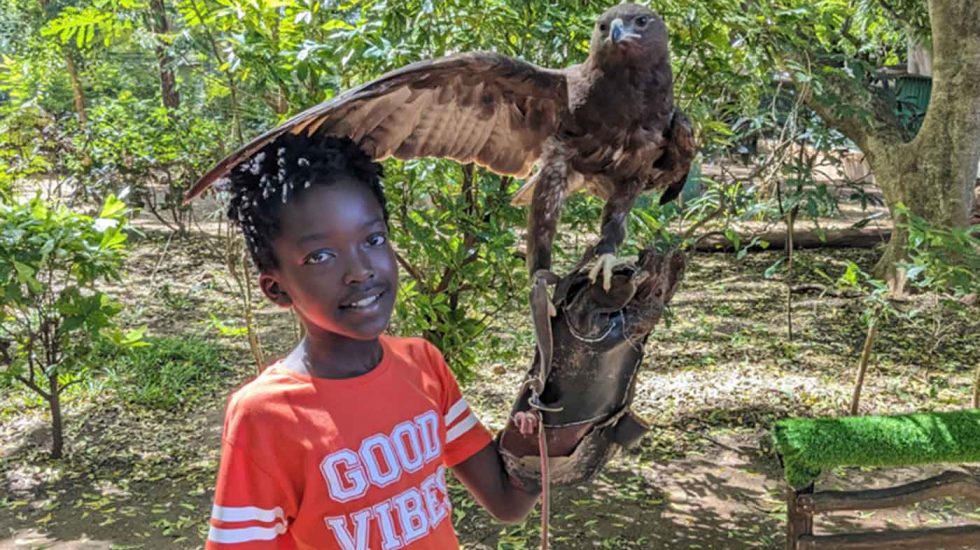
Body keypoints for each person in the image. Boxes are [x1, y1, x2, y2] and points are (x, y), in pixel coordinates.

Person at [205, 132, 540, 549]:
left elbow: (508, 503)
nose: (360, 271)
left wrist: (535, 443)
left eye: (373, 240)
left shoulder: (423, 365)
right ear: (277, 289)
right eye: (320, 256)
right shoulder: (265, 415)